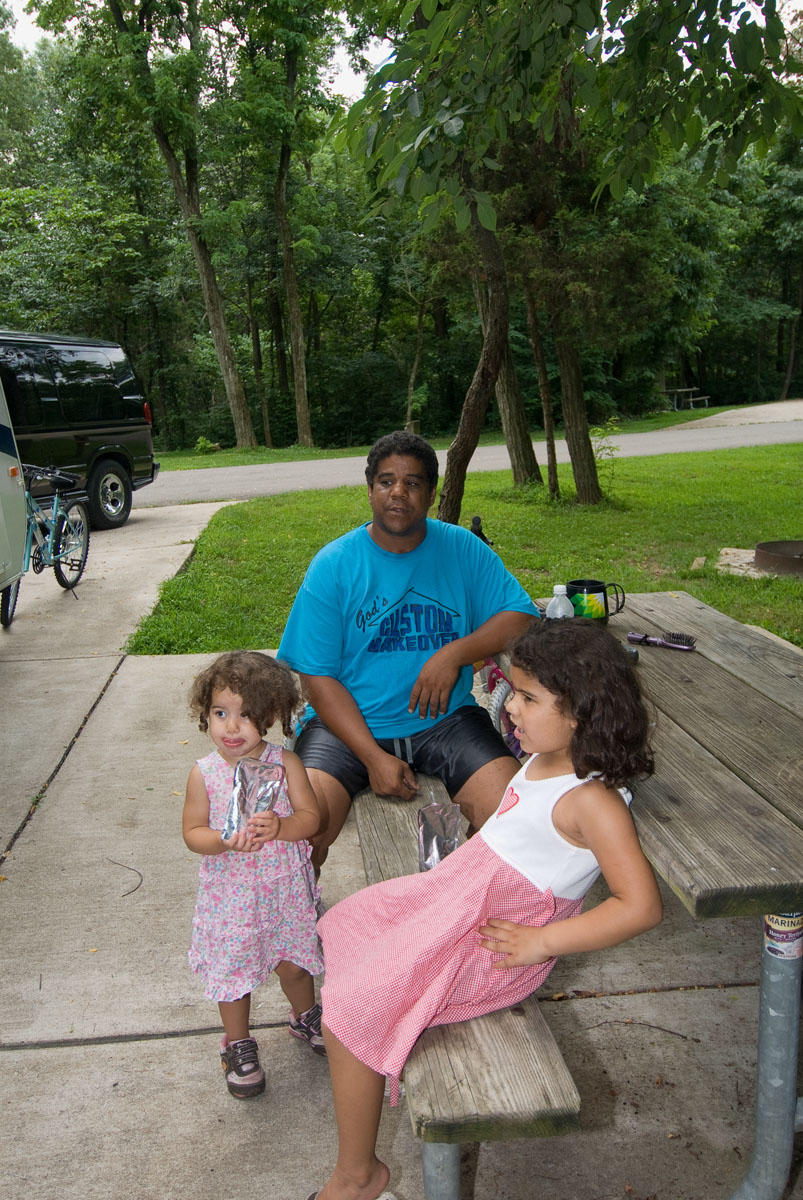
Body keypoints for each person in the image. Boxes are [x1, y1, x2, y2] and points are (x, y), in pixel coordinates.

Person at [309, 619, 664, 1200]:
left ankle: (357, 1175)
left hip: (497, 941)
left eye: (527, 697)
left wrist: (542, 942)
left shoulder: (592, 801)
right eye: (513, 690)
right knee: (350, 925)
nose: (510, 707)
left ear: (580, 711)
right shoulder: (547, 754)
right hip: (464, 895)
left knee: (352, 1010)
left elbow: (641, 906)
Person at [277, 430, 538, 868]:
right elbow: (316, 681)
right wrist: (373, 757)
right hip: (346, 728)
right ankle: (298, 924)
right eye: (386, 481)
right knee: (300, 835)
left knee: (515, 821)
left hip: (446, 721)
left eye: (413, 482)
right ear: (370, 490)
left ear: (432, 492)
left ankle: (460, 908)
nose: (398, 492)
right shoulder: (334, 565)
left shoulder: (462, 549)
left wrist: (452, 654)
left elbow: (522, 616)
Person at [182, 651, 325, 1100]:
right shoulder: (203, 774)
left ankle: (304, 1016)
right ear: (206, 713)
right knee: (234, 972)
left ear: (269, 718)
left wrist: (282, 827)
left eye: (245, 716)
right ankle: (238, 1042)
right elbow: (192, 833)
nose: (231, 727)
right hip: (233, 898)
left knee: (294, 963)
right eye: (220, 713)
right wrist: (222, 839)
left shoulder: (286, 765)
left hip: (283, 892)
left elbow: (311, 818)